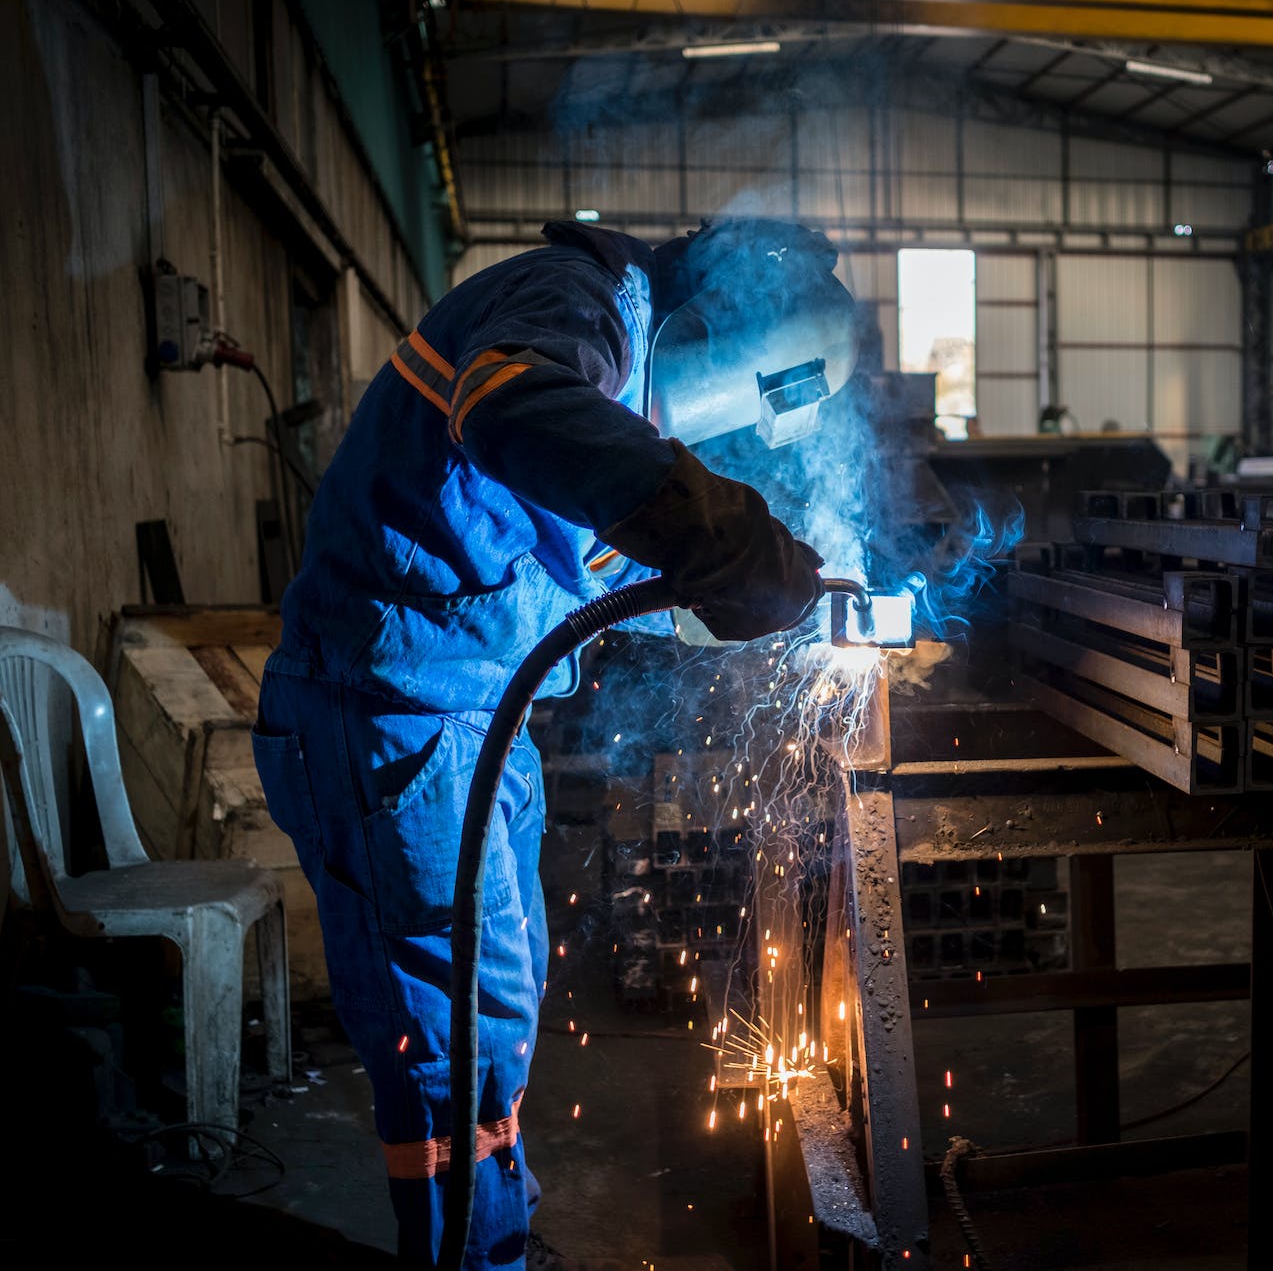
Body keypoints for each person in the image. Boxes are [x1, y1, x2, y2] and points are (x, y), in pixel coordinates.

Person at [250, 219, 859, 1268]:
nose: (720, 447)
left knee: (506, 997)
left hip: (472, 715)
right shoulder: (584, 306)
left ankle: (499, 1235)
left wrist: (758, 584)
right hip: (393, 717)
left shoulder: (609, 370)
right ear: (723, 332)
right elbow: (505, 404)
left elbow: (587, 563)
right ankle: (472, 1256)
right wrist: (701, 524)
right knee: (457, 1045)